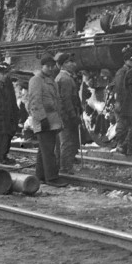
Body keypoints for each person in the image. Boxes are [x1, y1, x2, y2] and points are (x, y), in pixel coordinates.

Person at [28, 53, 64, 187]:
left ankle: (41, 176)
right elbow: (35, 101)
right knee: (48, 150)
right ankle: (52, 178)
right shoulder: (36, 80)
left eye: (52, 66)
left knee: (44, 149)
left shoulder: (51, 80)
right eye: (47, 66)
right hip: (44, 119)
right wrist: (41, 118)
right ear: (42, 66)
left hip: (52, 119)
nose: (50, 68)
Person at [55, 58, 81, 174]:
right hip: (66, 115)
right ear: (64, 64)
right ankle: (65, 167)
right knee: (67, 141)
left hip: (62, 114)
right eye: (70, 61)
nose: (73, 63)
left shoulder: (63, 77)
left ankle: (61, 164)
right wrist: (73, 115)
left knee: (63, 141)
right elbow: (67, 99)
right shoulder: (65, 79)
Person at [112, 57, 131, 153]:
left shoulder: (126, 71)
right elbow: (119, 87)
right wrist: (119, 101)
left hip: (126, 100)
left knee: (125, 123)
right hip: (122, 101)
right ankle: (119, 143)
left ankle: (123, 144)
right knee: (122, 123)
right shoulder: (122, 72)